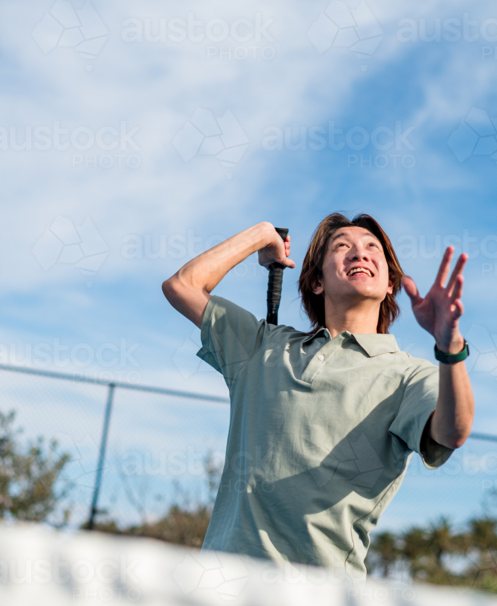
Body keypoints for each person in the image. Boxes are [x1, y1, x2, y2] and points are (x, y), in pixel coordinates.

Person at [161, 213, 475, 581]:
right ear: (315, 283)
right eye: (342, 246)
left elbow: (453, 431)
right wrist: (260, 236)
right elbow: (182, 286)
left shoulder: (409, 375)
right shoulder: (261, 346)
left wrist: (449, 347)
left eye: (372, 248)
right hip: (223, 590)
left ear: (390, 283)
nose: (359, 253)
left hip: (324, 604)